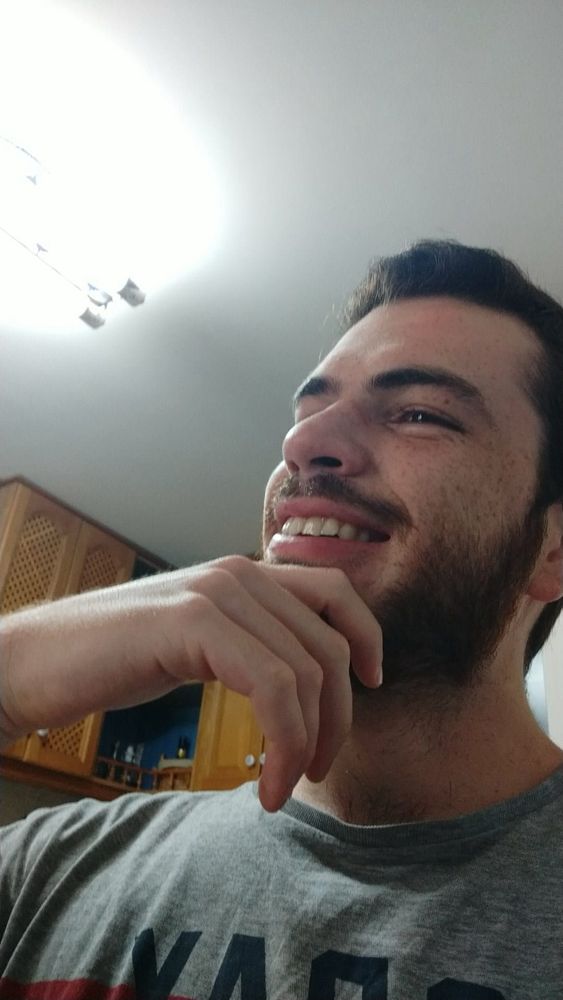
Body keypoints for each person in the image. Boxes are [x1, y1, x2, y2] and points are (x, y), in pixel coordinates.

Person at [1, 239, 562, 997]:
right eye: (308, 413)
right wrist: (8, 678)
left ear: (553, 550)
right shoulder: (48, 869)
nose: (303, 443)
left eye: (420, 414)